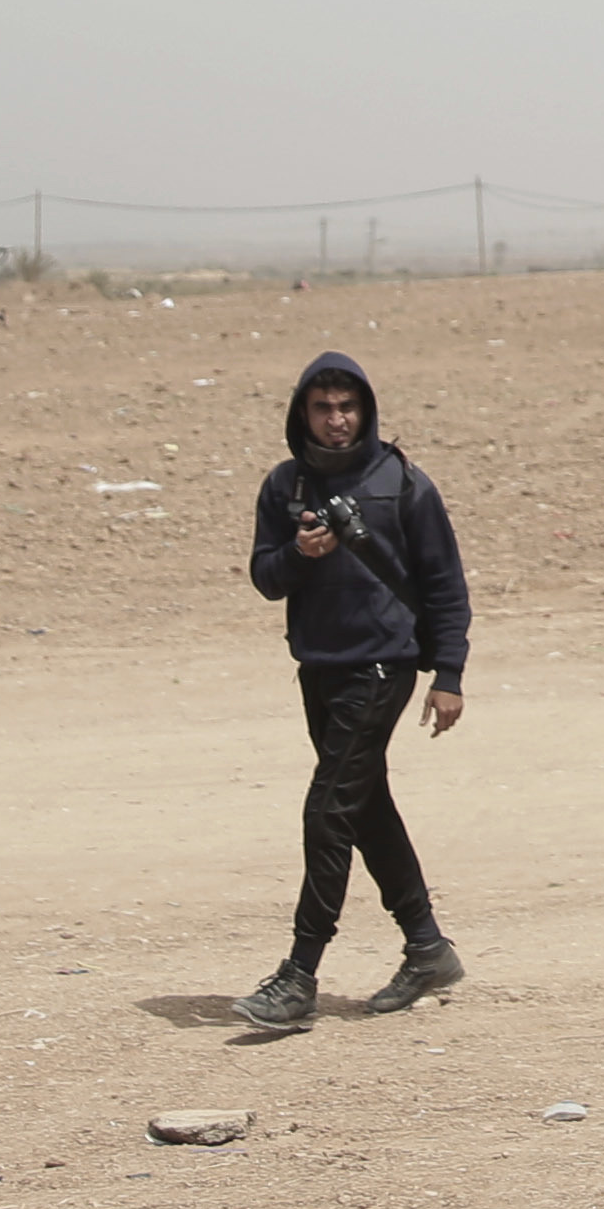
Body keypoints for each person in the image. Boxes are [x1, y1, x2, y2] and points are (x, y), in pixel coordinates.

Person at [234, 353, 469, 1030]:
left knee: (327, 811)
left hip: (382, 667)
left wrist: (448, 674)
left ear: (365, 411)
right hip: (319, 665)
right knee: (365, 808)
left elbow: (445, 585)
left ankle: (299, 974)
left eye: (348, 408)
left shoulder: (402, 484)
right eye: (323, 408)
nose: (337, 422)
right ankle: (427, 948)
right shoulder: (284, 487)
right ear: (301, 414)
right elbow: (264, 576)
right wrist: (299, 557)